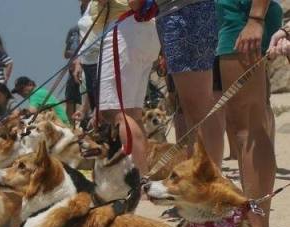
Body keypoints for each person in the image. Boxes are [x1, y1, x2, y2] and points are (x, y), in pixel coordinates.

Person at [216, 0, 282, 227]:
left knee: (248, 128)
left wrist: (255, 18)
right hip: (238, 16)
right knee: (253, 122)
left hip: (242, 15)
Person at [90, 0, 160, 175]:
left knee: (115, 112)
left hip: (123, 30)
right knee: (133, 114)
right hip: (143, 29)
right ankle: (144, 174)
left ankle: (140, 177)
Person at [155, 0, 223, 166]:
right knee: (193, 110)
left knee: (199, 109)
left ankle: (209, 177)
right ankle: (200, 172)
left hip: (185, 11)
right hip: (173, 13)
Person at [64, 24, 82, 123]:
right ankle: (70, 126)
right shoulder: (73, 30)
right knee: (70, 99)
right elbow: (66, 54)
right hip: (73, 70)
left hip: (89, 67)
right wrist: (73, 54)